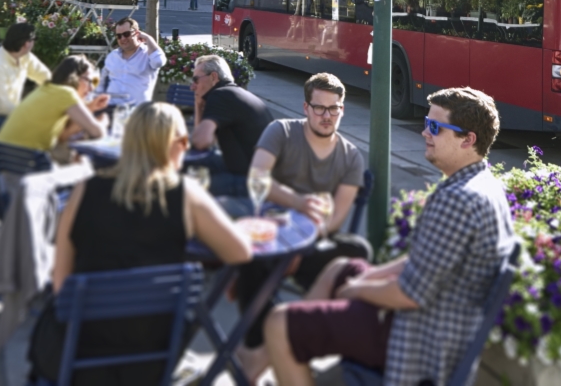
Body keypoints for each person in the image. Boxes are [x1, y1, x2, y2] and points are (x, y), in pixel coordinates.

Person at [264, 86, 515, 386]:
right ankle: (292, 349)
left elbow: (409, 294)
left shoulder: (458, 200)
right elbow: (423, 260)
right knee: (338, 269)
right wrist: (359, 281)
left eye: (435, 127)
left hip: (419, 341)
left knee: (278, 323)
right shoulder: (482, 184)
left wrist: (356, 291)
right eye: (425, 123)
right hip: (436, 320)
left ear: (468, 140)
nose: (425, 133)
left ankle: (287, 347)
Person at [30, 102, 252, 385]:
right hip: (152, 357)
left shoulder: (85, 190)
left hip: (74, 353)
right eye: (183, 140)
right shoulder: (185, 195)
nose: (187, 147)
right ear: (169, 144)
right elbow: (240, 252)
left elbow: (61, 282)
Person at [234, 73, 369, 377]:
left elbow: (336, 220)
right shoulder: (280, 131)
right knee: (251, 258)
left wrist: (301, 243)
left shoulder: (350, 157)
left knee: (356, 249)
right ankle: (259, 345)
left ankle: (261, 355)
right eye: (319, 108)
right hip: (269, 230)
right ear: (305, 107)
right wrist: (297, 202)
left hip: (312, 242)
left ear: (342, 109)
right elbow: (257, 179)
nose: (326, 116)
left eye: (333, 108)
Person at [190, 54, 272, 195]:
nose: (192, 87)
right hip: (264, 176)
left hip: (248, 182)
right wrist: (198, 105)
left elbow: (200, 142)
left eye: (196, 79)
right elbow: (204, 145)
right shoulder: (235, 93)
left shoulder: (220, 95)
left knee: (184, 183)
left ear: (213, 77)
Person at [0, 55, 108, 155]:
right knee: (88, 166)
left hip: (2, 165)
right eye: (89, 80)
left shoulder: (47, 89)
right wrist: (104, 122)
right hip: (23, 166)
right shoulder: (65, 93)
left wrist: (90, 107)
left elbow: (62, 136)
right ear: (75, 77)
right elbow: (97, 132)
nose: (91, 87)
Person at [98, 17, 165, 106]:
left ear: (137, 33)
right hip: (112, 110)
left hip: (137, 112)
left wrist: (148, 39)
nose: (122, 38)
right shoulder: (113, 56)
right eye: (119, 36)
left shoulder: (148, 54)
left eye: (126, 34)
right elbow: (101, 81)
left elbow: (159, 62)